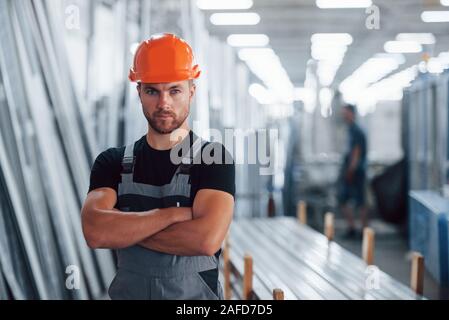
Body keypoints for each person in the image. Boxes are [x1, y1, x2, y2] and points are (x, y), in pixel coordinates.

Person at [81, 33, 235, 300]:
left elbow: (205, 239)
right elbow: (95, 232)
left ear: (192, 91)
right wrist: (172, 216)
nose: (163, 103)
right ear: (139, 92)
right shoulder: (112, 162)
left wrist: (122, 230)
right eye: (152, 90)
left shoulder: (213, 159)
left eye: (174, 90)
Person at [337, 104, 368, 239]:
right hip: (352, 170)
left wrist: (351, 170)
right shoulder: (350, 130)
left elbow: (356, 152)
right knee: (346, 200)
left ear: (352, 113)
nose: (343, 115)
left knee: (359, 201)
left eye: (346, 113)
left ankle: (362, 230)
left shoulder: (356, 131)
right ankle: (354, 228)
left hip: (355, 172)